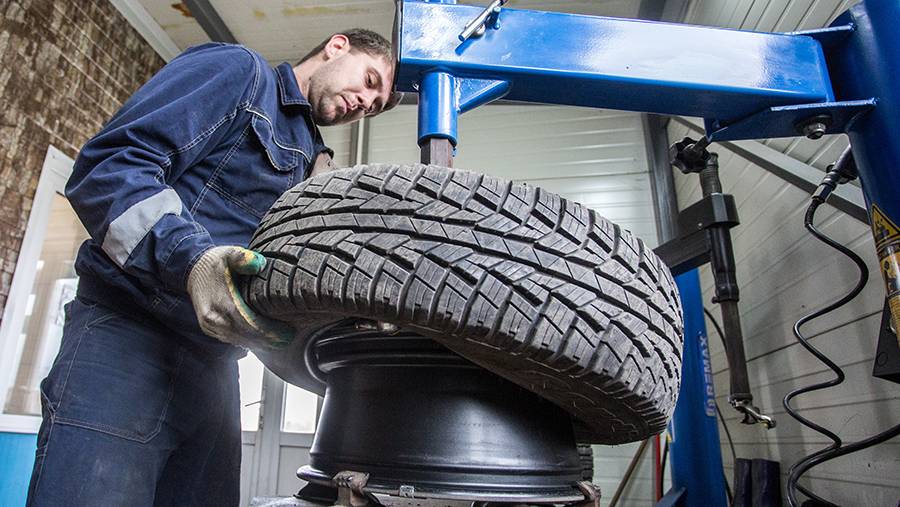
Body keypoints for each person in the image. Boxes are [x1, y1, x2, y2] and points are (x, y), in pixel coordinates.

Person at [26, 29, 400, 506]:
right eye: (369, 81)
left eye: (374, 106)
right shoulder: (242, 74)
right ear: (337, 46)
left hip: (217, 366)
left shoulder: (313, 162)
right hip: (127, 340)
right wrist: (191, 260)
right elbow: (110, 169)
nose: (364, 102)